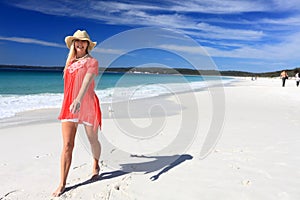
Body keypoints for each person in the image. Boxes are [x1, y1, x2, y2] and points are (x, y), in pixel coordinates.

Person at [53, 30, 102, 197]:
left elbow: (87, 80)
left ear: (88, 44)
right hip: (69, 106)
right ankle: (62, 183)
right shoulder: (70, 63)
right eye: (77, 41)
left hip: (86, 104)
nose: (80, 43)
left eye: (83, 41)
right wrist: (71, 100)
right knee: (67, 145)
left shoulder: (92, 62)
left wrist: (79, 99)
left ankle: (95, 163)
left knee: (92, 140)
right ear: (73, 44)